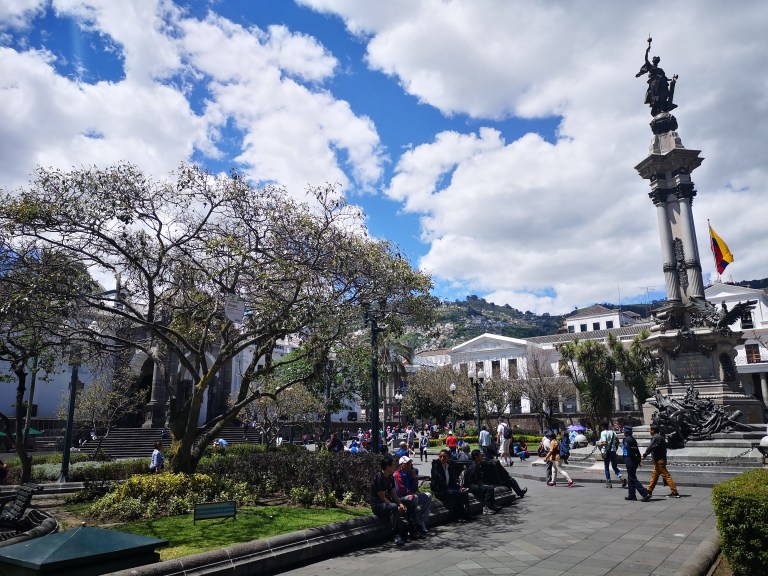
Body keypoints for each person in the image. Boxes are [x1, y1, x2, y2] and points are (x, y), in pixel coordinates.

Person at [370, 456, 412, 546]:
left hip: (388, 503)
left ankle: (412, 530)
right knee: (393, 507)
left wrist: (400, 504)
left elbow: (394, 493)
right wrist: (395, 506)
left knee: (409, 502)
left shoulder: (390, 477)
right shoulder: (379, 477)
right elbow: (382, 497)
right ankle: (396, 535)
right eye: (392, 465)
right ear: (388, 467)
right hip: (378, 505)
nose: (394, 467)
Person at [430, 449, 472, 523]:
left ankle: (466, 514)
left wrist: (459, 488)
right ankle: (455, 516)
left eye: (444, 457)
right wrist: (450, 489)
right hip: (440, 490)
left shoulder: (449, 466)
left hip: (448, 488)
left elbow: (452, 481)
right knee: (458, 494)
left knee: (464, 492)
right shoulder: (436, 465)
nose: (442, 458)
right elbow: (439, 478)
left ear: (448, 457)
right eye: (440, 456)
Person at [393, 456, 432, 535]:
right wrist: (412, 493)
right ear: (401, 465)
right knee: (414, 497)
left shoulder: (410, 472)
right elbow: (402, 491)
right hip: (401, 498)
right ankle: (414, 523)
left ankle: (421, 521)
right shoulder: (397, 474)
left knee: (428, 495)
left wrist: (414, 477)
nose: (409, 465)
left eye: (410, 463)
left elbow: (414, 488)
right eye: (407, 463)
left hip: (411, 495)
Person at [643, 424, 681, 498]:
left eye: (650, 429)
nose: (649, 431)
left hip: (659, 460)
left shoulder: (655, 437)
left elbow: (651, 446)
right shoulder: (660, 437)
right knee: (655, 475)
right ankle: (649, 490)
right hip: (660, 460)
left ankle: (675, 492)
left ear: (653, 430)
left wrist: (645, 454)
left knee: (666, 476)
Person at [463, 449, 500, 515]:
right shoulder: (475, 466)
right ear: (476, 457)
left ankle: (492, 505)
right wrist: (483, 486)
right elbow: (478, 480)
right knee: (489, 489)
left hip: (472, 485)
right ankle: (487, 507)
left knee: (489, 487)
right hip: (472, 486)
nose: (482, 456)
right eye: (480, 455)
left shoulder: (474, 464)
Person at [622, 426, 651, 502]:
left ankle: (645, 494)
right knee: (630, 477)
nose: (623, 432)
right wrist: (638, 459)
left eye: (624, 431)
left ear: (626, 432)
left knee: (632, 478)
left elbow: (628, 450)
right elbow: (637, 450)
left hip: (629, 459)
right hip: (634, 460)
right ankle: (631, 495)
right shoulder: (633, 439)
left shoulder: (626, 440)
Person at [598, 423, 624, 488]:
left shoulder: (603, 433)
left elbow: (604, 443)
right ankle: (621, 476)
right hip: (613, 451)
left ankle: (608, 482)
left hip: (606, 452)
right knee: (614, 466)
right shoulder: (613, 432)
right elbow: (617, 442)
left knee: (606, 467)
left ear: (603, 426)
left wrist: (599, 444)